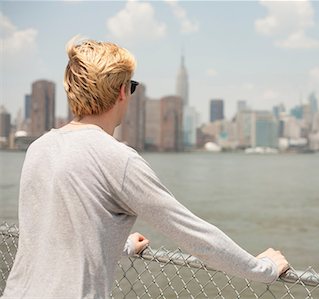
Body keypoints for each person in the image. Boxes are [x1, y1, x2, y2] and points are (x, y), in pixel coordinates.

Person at [2, 36, 289, 298]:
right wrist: (264, 268)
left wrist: (119, 243)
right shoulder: (117, 158)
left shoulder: (39, 147)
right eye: (132, 85)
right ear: (121, 93)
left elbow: (46, 233)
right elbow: (195, 235)